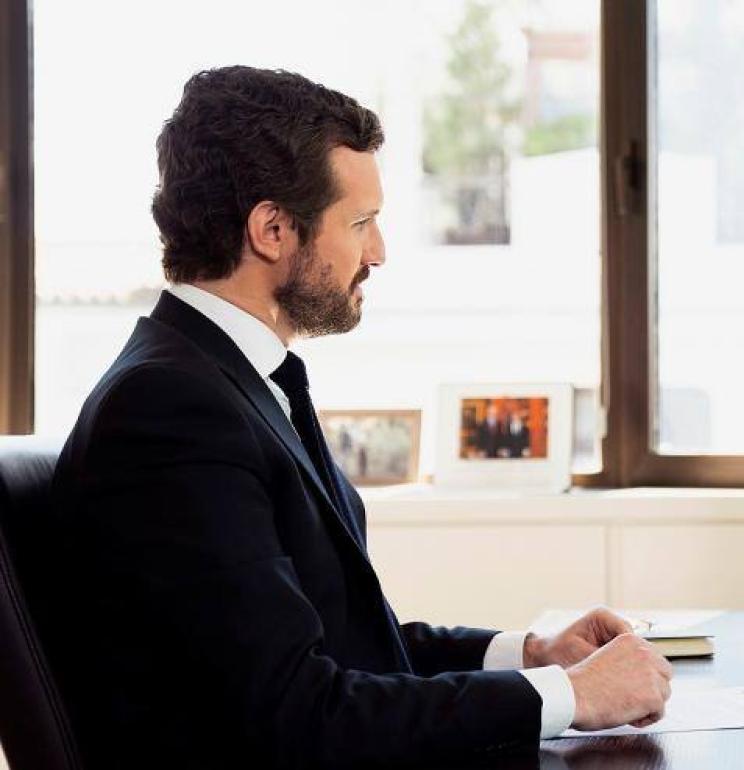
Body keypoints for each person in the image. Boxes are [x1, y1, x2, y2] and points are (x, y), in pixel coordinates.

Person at [44, 66, 671, 768]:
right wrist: (571, 696)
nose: (378, 252)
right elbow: (299, 712)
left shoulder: (223, 380)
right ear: (273, 229)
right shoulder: (172, 411)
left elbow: (338, 645)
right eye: (362, 223)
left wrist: (530, 655)